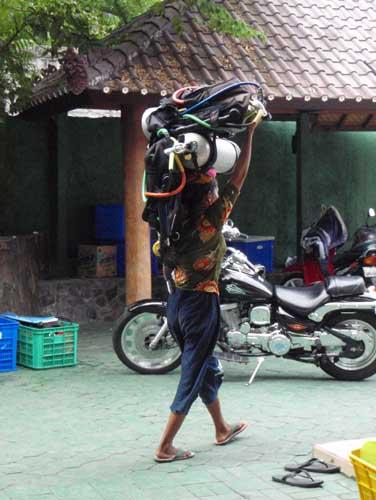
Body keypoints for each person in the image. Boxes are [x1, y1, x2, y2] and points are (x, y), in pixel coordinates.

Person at [154, 118, 261, 462]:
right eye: (211, 190)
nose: (216, 191)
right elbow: (239, 177)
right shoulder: (210, 219)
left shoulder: (171, 223)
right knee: (192, 373)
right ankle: (164, 446)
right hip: (200, 304)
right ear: (206, 197)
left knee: (206, 368)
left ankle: (221, 428)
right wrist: (251, 133)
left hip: (177, 302)